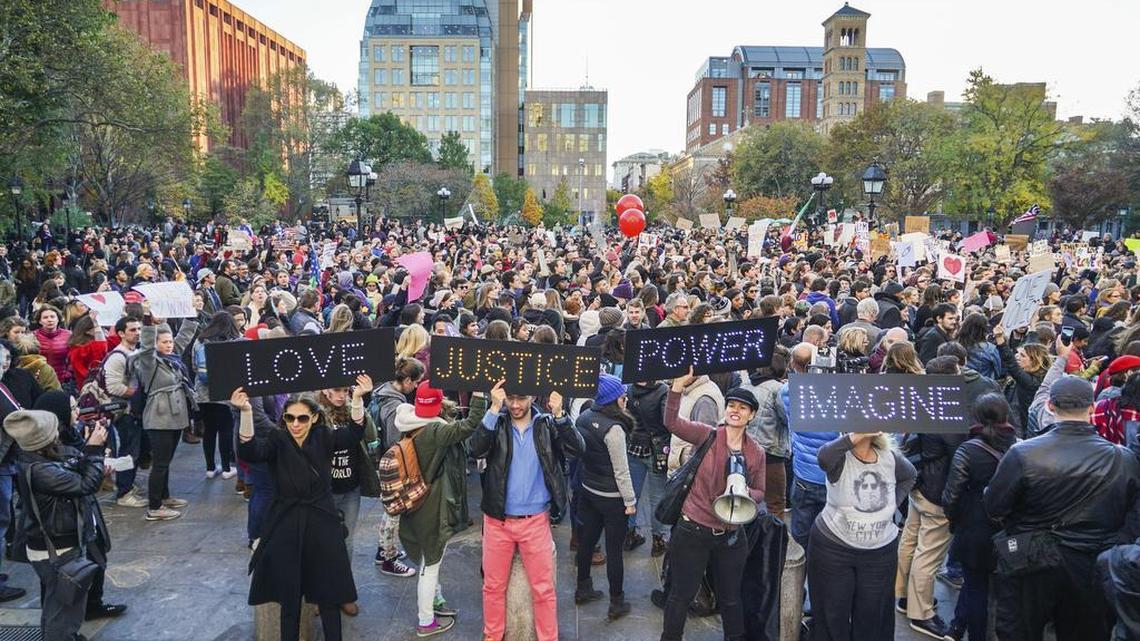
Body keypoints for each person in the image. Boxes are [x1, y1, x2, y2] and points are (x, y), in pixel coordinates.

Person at [985, 375, 1140, 641]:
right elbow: (1132, 516)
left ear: (1049, 406)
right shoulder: (1122, 458)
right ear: (1092, 408)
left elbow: (995, 506)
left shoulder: (1023, 454)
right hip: (1090, 563)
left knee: (1018, 631)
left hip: (1031, 561)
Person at [235, 382, 368, 641]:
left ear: (314, 417)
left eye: (302, 418)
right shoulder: (277, 438)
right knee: (289, 595)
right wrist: (246, 412)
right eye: (289, 418)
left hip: (321, 519)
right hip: (287, 520)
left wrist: (359, 398)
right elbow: (250, 451)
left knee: (328, 594)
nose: (295, 424)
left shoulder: (324, 437)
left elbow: (353, 433)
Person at [469, 380, 581, 641]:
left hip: (536, 520)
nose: (516, 405)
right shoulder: (496, 421)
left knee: (543, 589)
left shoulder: (547, 425)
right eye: (510, 399)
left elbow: (577, 449)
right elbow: (474, 449)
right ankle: (492, 635)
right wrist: (493, 409)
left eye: (521, 399)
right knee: (493, 586)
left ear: (533, 396)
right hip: (498, 520)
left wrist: (561, 415)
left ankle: (548, 637)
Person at [660, 368, 765, 641]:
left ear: (751, 415)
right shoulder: (707, 435)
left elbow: (761, 491)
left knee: (731, 598)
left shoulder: (756, 452)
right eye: (732, 405)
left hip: (731, 535)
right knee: (681, 595)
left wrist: (745, 494)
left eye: (743, 408)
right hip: (693, 530)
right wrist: (676, 388)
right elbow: (671, 422)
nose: (735, 411)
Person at [6, 409, 125, 641]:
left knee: (56, 605)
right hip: (58, 548)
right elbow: (85, 485)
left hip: (50, 544)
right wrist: (94, 451)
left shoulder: (34, 459)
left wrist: (90, 456)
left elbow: (70, 469)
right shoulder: (40, 470)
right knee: (63, 612)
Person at [391, 381, 489, 637]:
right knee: (431, 563)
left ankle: (435, 599)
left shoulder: (409, 422)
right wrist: (479, 394)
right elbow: (468, 426)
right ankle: (426, 622)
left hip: (415, 503)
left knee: (426, 556)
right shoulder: (434, 430)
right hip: (431, 507)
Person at [808, 432, 916, 641]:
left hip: (880, 555)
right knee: (832, 616)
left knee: (872, 617)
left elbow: (910, 476)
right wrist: (856, 435)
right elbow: (823, 457)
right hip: (833, 549)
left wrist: (891, 503)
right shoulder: (839, 456)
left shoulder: (890, 458)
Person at [942, 393, 1017, 641]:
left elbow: (952, 494)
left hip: (974, 525)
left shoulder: (968, 449)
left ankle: (974, 633)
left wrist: (954, 521)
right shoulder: (1018, 445)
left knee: (975, 587)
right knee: (990, 587)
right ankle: (957, 625)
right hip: (1008, 527)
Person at [573, 373, 635, 620]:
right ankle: (617, 602)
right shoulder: (615, 429)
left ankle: (582, 588)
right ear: (615, 399)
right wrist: (630, 501)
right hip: (611, 498)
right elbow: (621, 471)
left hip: (589, 489)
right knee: (614, 551)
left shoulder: (584, 417)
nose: (625, 398)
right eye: (622, 395)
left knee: (587, 541)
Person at [136, 318, 199, 521]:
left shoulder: (173, 359)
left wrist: (191, 315)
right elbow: (145, 347)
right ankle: (154, 507)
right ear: (155, 343)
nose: (169, 345)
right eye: (164, 342)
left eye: (169, 341)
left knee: (166, 461)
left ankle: (165, 496)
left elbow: (184, 338)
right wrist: (149, 324)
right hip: (159, 417)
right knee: (160, 463)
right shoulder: (149, 362)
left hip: (175, 416)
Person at [368, 357, 423, 576]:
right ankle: (388, 558)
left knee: (389, 510)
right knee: (393, 512)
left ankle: (384, 550)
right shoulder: (395, 406)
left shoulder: (382, 392)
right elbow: (395, 442)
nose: (417, 386)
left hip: (380, 460)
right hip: (391, 466)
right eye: (416, 382)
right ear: (407, 380)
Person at [102, 316, 147, 508]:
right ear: (121, 333)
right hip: (125, 413)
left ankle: (127, 486)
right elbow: (113, 387)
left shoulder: (135, 352)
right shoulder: (118, 356)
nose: (137, 333)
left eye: (138, 329)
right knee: (128, 452)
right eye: (132, 330)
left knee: (135, 451)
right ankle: (124, 492)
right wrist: (139, 395)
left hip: (135, 412)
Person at [193, 311, 241, 480]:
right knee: (226, 430)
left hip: (203, 395)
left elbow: (194, 367)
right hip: (225, 394)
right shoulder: (232, 342)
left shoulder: (200, 342)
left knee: (209, 431)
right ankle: (227, 468)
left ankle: (210, 468)